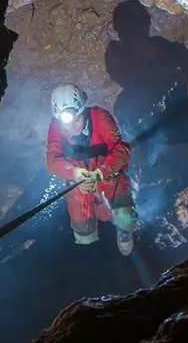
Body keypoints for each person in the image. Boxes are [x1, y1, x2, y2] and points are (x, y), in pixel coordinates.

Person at [45, 83, 138, 255]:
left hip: (108, 174)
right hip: (81, 181)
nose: (72, 127)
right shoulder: (56, 126)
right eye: (67, 123)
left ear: (82, 111)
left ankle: (124, 231)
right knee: (82, 227)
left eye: (77, 120)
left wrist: (101, 172)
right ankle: (89, 248)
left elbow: (121, 151)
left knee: (123, 217)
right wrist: (74, 173)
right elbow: (52, 160)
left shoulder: (100, 117)